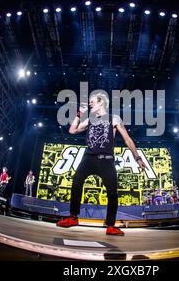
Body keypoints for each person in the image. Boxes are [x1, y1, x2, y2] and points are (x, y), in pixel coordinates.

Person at [56, 91, 147, 236]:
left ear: (101, 102)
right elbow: (72, 130)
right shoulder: (90, 119)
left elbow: (127, 139)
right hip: (89, 157)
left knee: (112, 192)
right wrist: (79, 113)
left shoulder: (114, 118)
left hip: (107, 159)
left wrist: (137, 158)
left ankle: (111, 225)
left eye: (92, 101)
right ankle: (73, 217)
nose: (90, 104)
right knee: (76, 182)